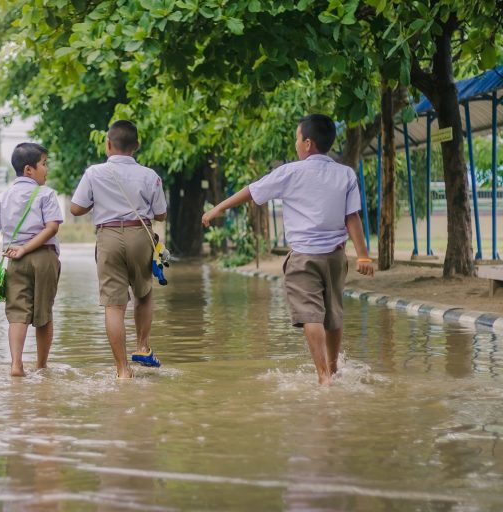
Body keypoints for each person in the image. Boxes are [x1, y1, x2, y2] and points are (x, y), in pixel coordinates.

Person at [202, 114, 374, 385]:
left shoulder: (291, 172)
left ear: (307, 143)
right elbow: (352, 217)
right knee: (334, 313)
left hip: (303, 257)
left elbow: (252, 190)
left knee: (311, 314)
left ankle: (322, 377)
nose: (296, 144)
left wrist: (219, 207)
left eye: (297, 138)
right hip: (335, 256)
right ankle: (333, 369)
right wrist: (363, 254)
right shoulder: (346, 174)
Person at [70, 120, 168, 379]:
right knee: (143, 293)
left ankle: (123, 371)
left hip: (108, 235)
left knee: (114, 306)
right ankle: (142, 346)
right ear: (136, 146)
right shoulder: (150, 175)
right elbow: (161, 214)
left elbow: (75, 208)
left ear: (108, 145)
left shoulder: (93, 173)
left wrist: (100, 201)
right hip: (140, 234)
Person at [0, 142, 63, 377]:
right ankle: (42, 367)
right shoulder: (46, 194)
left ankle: (16, 365)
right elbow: (52, 228)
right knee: (44, 313)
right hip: (43, 257)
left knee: (17, 313)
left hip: (13, 259)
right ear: (29, 170)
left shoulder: (1, 199)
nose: (46, 169)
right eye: (44, 164)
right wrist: (27, 248)